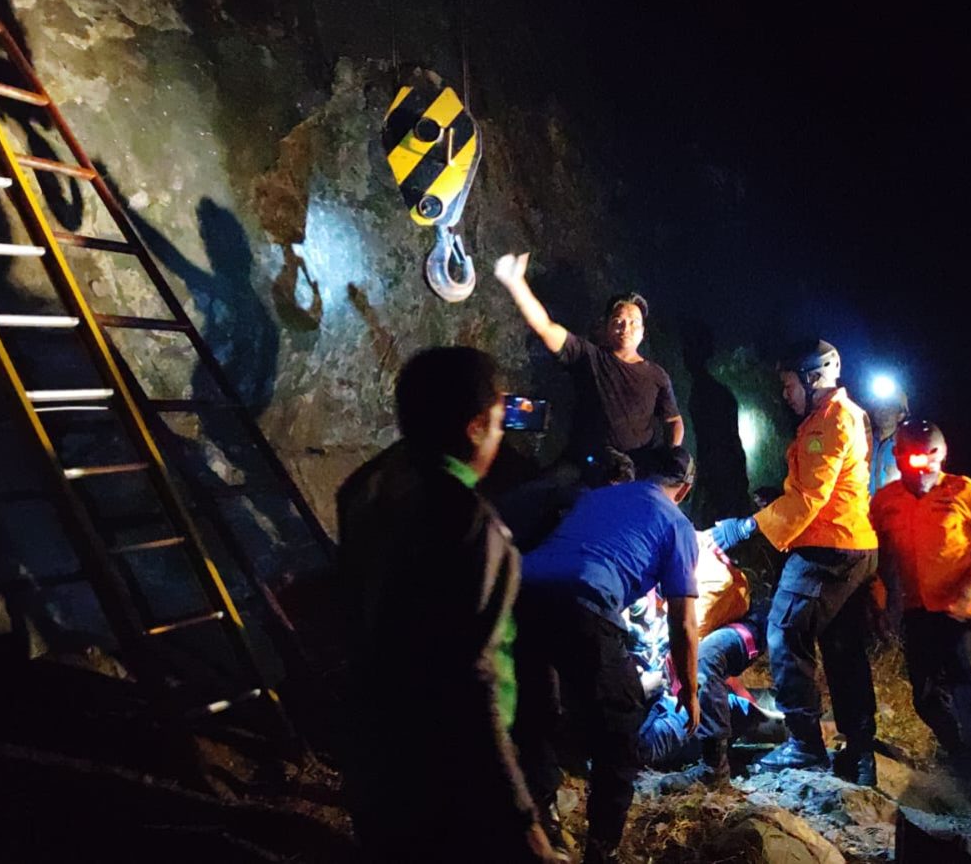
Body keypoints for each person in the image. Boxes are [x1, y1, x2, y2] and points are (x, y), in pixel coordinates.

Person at [335, 346, 554, 862]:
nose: (501, 437)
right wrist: (522, 819)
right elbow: (472, 682)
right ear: (476, 428)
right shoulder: (471, 525)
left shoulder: (368, 492)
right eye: (497, 423)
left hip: (376, 754)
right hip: (452, 778)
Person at [512, 446, 701, 864]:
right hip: (584, 599)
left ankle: (542, 820)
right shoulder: (677, 524)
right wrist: (689, 689)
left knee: (536, 711)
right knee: (620, 727)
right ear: (685, 489)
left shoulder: (599, 495)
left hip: (522, 592)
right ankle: (603, 849)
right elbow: (684, 622)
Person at [707, 339, 881, 785]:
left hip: (829, 548)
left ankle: (804, 743)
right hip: (851, 544)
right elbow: (819, 487)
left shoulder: (830, 421)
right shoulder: (837, 416)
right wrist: (773, 502)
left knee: (784, 631)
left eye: (789, 385)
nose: (785, 394)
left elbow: (809, 498)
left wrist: (744, 527)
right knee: (842, 647)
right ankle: (860, 751)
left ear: (813, 378)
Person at [869, 418, 971, 839]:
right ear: (897, 457)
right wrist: (879, 594)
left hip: (964, 615)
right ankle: (962, 757)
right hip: (918, 613)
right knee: (925, 698)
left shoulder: (963, 491)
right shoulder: (886, 501)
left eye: (932, 458)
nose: (924, 468)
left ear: (944, 454)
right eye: (914, 460)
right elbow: (875, 550)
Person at [493, 253, 683, 479]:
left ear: (642, 332)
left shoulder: (657, 376)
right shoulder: (587, 356)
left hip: (636, 476)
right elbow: (545, 327)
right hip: (584, 467)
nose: (626, 328)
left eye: (634, 323)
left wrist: (671, 457)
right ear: (607, 327)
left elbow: (673, 420)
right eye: (618, 321)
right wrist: (516, 283)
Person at [632, 534, 782, 790]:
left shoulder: (687, 560)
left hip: (735, 628)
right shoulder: (633, 586)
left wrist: (652, 680)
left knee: (705, 658)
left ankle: (717, 765)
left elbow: (692, 635)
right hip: (663, 698)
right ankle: (757, 715)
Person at [867, 389, 908, 495]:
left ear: (900, 415)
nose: (883, 411)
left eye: (889, 407)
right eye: (879, 406)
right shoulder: (863, 442)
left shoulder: (908, 446)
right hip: (863, 504)